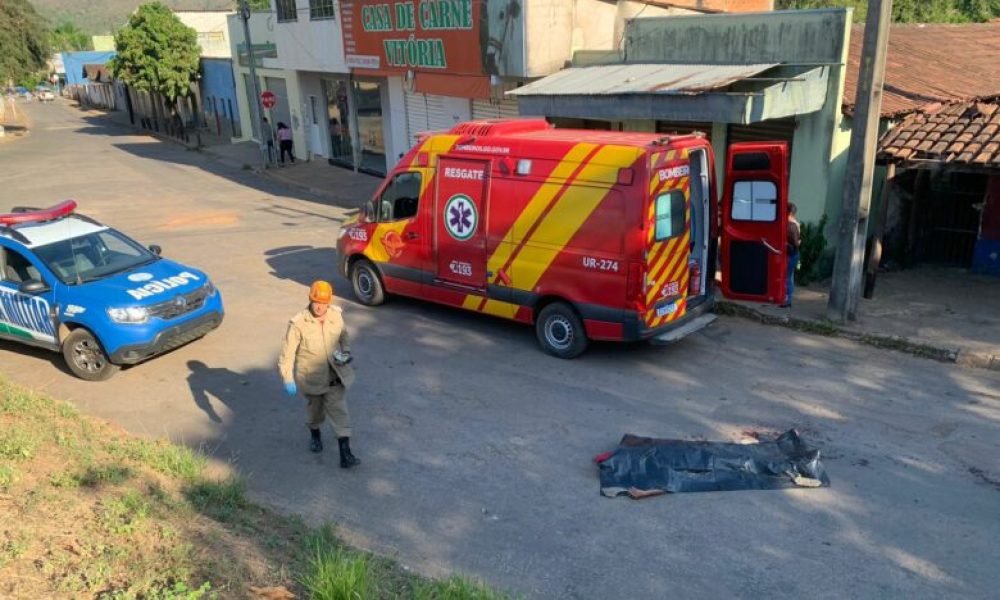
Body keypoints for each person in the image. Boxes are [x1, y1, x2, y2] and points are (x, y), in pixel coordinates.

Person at [278, 280, 360, 468]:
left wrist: (346, 351)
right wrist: (288, 378)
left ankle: (346, 455)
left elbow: (344, 335)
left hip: (335, 375)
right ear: (310, 299)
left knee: (340, 412)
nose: (320, 307)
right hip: (312, 379)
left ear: (328, 302)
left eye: (323, 303)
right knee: (315, 413)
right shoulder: (299, 323)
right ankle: (315, 434)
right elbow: (287, 354)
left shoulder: (335, 315)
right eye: (316, 302)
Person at [783, 202, 801, 308]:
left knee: (787, 277)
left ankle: (787, 300)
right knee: (790, 276)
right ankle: (788, 298)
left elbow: (795, 242)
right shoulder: (795, 223)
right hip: (794, 254)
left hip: (791, 254)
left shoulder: (791, 225)